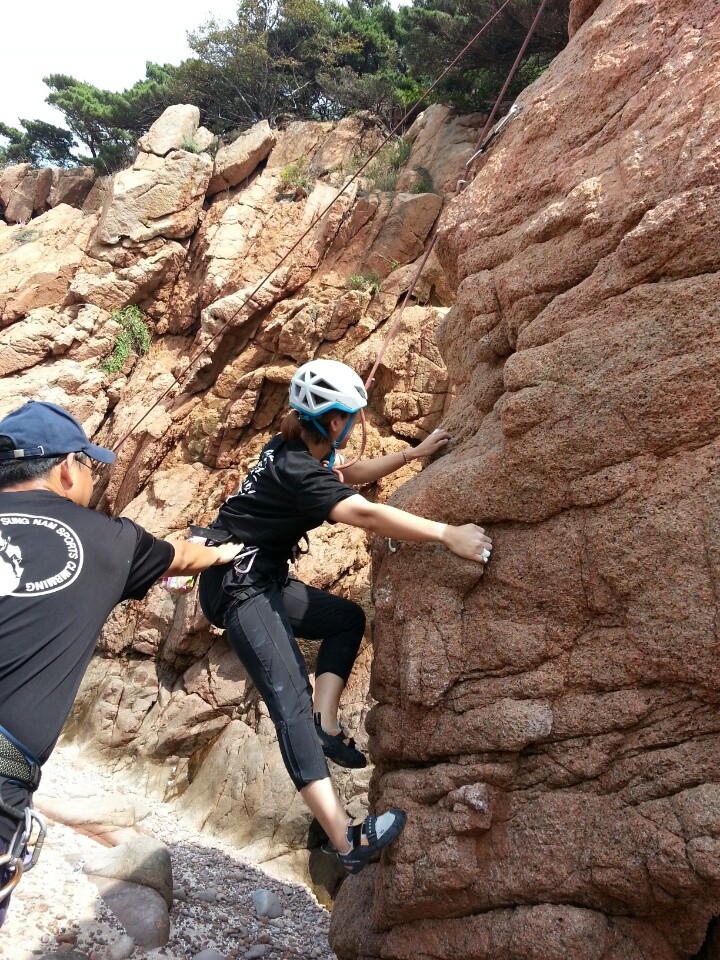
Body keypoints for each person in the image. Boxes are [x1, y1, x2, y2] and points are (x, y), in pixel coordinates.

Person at [198, 359, 493, 874]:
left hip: (262, 577)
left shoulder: (291, 446)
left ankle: (327, 724)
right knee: (289, 701)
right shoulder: (296, 469)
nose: (355, 424)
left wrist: (413, 453)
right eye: (352, 417)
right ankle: (346, 841)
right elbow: (366, 513)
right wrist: (448, 534)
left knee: (346, 619)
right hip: (239, 586)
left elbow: (347, 474)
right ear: (334, 421)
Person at [0, 401, 242, 923]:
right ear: (67, 468)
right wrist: (222, 554)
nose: (94, 476)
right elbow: (182, 557)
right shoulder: (108, 540)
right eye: (91, 464)